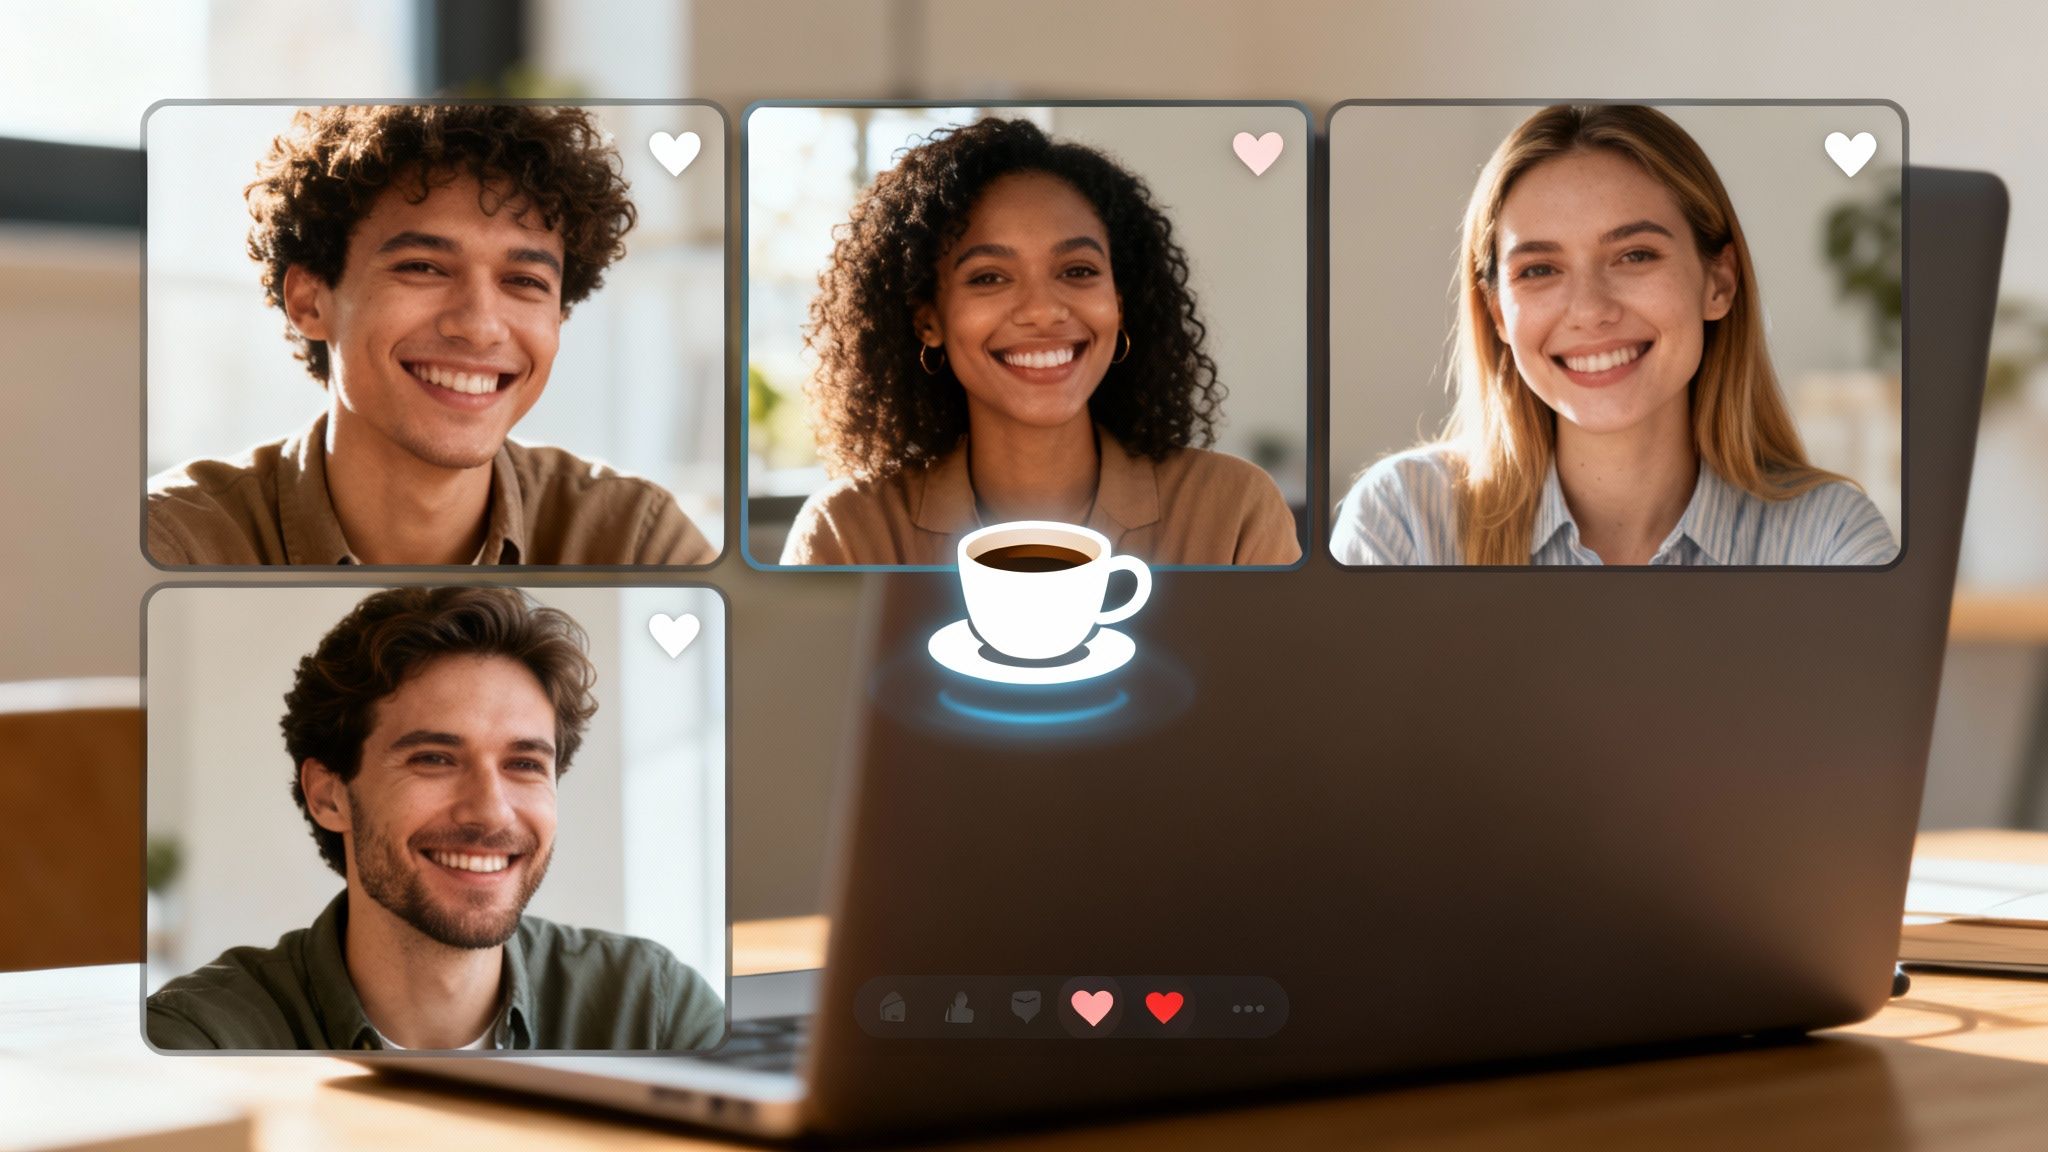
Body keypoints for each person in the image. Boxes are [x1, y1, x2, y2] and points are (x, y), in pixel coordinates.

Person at [146, 587, 725, 1050]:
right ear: (330, 796)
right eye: (434, 759)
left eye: (524, 763)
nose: (491, 810)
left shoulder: (655, 1012)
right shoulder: (203, 1041)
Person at [147, 105, 716, 566]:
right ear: (310, 300)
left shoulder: (636, 543)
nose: (479, 325)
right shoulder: (179, 545)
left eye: (523, 281)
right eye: (422, 267)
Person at [1330, 104, 1898, 566]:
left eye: (1634, 255)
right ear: (1498, 312)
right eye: (1539, 269)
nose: (1590, 311)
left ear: (1718, 283)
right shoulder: (1403, 521)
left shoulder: (1828, 539)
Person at [780, 117, 1299, 566]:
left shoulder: (1233, 513)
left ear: (1120, 303)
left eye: (1077, 270)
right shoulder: (848, 533)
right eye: (988, 277)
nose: (1044, 310)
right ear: (928, 320)